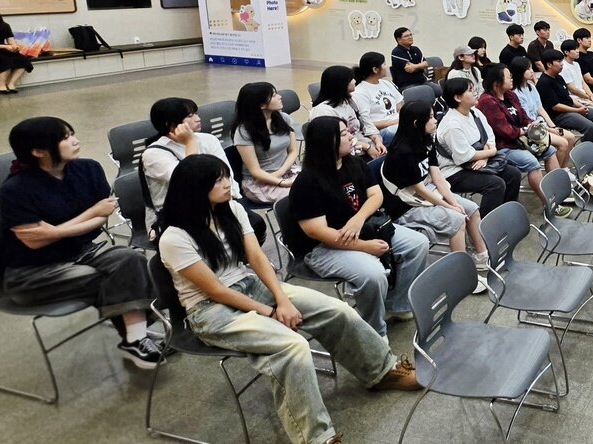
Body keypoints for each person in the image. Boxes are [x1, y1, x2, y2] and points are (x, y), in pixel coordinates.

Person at [159, 155, 420, 444]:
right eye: (218, 180)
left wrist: (281, 299)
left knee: (337, 309)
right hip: (210, 311)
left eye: (225, 177)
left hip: (251, 286)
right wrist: (270, 313)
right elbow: (216, 291)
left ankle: (380, 371)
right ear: (196, 188)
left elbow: (256, 257)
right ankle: (316, 438)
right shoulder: (173, 237)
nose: (227, 184)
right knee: (292, 346)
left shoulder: (230, 208)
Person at [0, 117, 162, 368]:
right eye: (65, 138)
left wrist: (57, 230)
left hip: (82, 252)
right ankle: (136, 336)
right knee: (112, 278)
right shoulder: (16, 189)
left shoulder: (89, 169)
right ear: (39, 151)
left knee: (131, 259)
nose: (75, 140)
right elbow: (36, 243)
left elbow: (101, 218)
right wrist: (90, 212)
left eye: (72, 133)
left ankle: (134, 338)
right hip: (31, 272)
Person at [288, 117, 429, 337]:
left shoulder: (352, 162)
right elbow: (317, 231)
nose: (351, 135)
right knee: (373, 274)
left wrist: (358, 219)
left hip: (363, 229)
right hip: (324, 247)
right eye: (344, 133)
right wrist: (364, 247)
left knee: (418, 244)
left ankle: (397, 306)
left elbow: (375, 195)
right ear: (328, 141)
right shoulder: (307, 182)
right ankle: (373, 332)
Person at [380, 103, 489, 292]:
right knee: (457, 220)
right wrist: (449, 207)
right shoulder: (402, 152)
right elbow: (419, 189)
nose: (435, 120)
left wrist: (453, 202)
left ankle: (482, 258)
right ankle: (461, 277)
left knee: (470, 208)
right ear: (416, 123)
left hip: (426, 196)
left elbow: (436, 174)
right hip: (406, 208)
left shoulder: (426, 140)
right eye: (430, 117)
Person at [477, 63, 566, 215]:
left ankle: (557, 194)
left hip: (522, 140)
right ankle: (549, 203)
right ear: (497, 82)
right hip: (503, 146)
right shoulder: (487, 101)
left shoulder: (510, 95)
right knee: (531, 162)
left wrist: (530, 126)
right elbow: (507, 132)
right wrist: (526, 130)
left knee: (550, 150)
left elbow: (523, 117)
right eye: (508, 76)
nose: (512, 79)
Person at [435, 78, 523, 217]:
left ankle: (507, 215)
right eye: (470, 90)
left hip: (479, 162)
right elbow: (464, 156)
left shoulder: (475, 112)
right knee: (495, 184)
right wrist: (491, 151)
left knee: (513, 174)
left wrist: (486, 157)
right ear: (458, 98)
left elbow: (490, 137)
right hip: (455, 171)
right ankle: (486, 227)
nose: (475, 92)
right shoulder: (451, 125)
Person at [142, 97, 232, 214]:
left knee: (255, 223)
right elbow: (190, 179)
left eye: (196, 114)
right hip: (176, 213)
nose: (198, 119)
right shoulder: (154, 154)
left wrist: (231, 199)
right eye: (190, 116)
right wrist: (190, 142)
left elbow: (227, 173)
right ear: (171, 124)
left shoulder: (208, 139)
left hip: (215, 205)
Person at [233, 82, 300, 204]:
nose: (280, 97)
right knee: (305, 195)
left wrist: (281, 173)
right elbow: (255, 171)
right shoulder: (243, 131)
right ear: (262, 105)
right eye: (274, 95)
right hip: (261, 182)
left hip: (286, 173)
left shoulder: (283, 118)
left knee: (322, 185)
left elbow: (293, 151)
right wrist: (281, 182)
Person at [510, 57, 574, 170]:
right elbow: (528, 120)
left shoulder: (531, 87)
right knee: (563, 143)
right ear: (519, 71)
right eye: (528, 69)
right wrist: (549, 130)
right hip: (530, 130)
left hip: (541, 124)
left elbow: (540, 108)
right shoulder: (515, 93)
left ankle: (563, 169)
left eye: (531, 68)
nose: (531, 71)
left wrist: (553, 126)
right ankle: (556, 174)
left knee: (571, 137)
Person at [310, 65, 385, 158]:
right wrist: (367, 147)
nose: (354, 81)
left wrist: (376, 139)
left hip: (363, 144)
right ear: (340, 84)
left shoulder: (348, 101)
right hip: (345, 154)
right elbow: (333, 142)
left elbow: (365, 122)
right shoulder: (323, 111)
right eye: (351, 79)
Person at [536, 49, 593, 143]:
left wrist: (581, 106)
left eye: (561, 61)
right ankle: (587, 152)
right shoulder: (544, 83)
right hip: (559, 116)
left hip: (570, 108)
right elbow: (555, 107)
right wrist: (577, 110)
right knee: (589, 126)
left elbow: (568, 98)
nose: (562, 64)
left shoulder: (559, 77)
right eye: (558, 61)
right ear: (549, 65)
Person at [351, 52, 403, 146]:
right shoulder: (360, 92)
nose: (387, 67)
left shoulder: (386, 83)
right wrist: (394, 122)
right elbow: (366, 124)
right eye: (384, 64)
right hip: (382, 132)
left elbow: (399, 106)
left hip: (398, 124)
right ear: (375, 69)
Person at [558, 39, 593, 108]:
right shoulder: (564, 67)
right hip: (576, 99)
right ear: (566, 52)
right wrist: (588, 97)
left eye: (577, 48)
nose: (578, 51)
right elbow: (573, 89)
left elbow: (583, 82)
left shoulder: (576, 64)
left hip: (585, 96)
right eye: (574, 49)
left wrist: (591, 95)